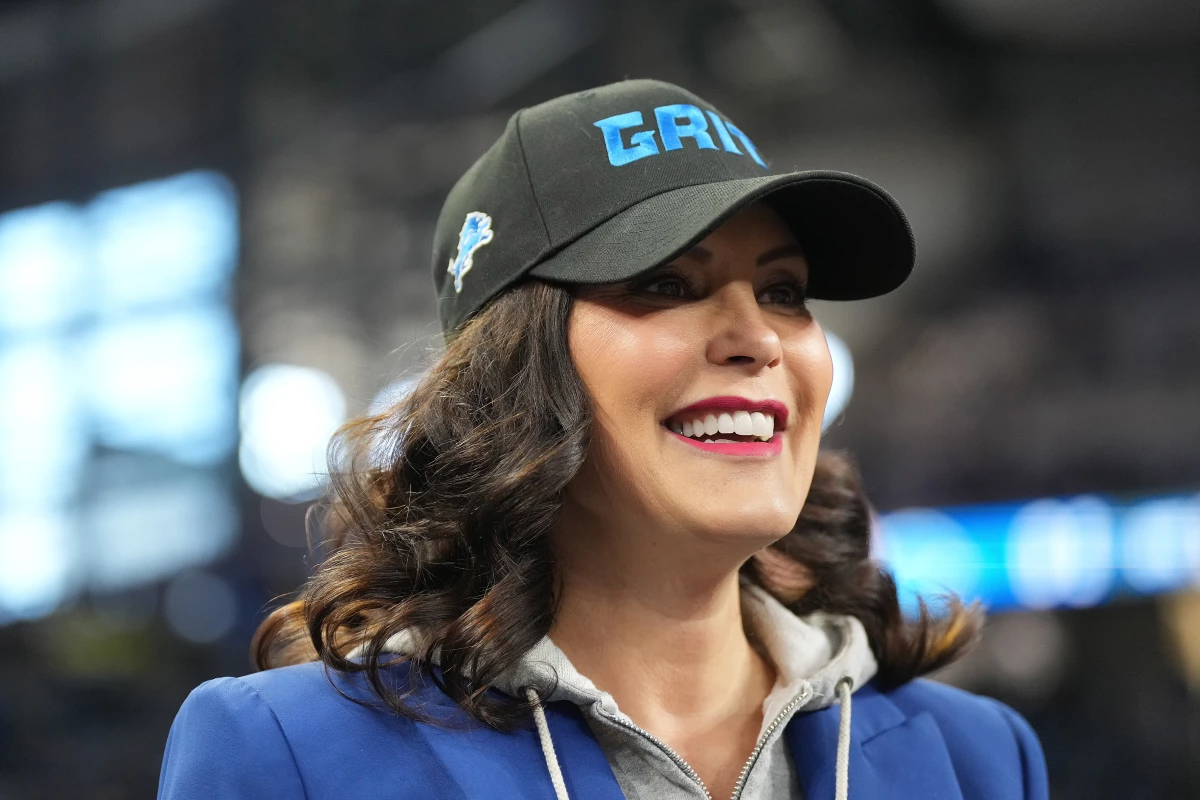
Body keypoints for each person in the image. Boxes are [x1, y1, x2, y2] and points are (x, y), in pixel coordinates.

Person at [158, 79, 1048, 800]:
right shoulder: (288, 755)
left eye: (784, 291)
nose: (760, 337)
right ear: (512, 374)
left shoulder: (981, 760)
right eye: (665, 284)